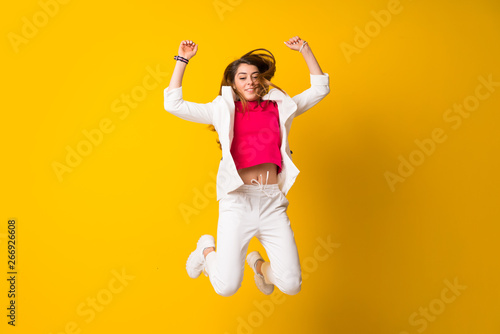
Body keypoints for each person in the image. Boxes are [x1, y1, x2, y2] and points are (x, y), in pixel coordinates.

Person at [164, 36, 330, 296]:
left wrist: (305, 50)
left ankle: (259, 265)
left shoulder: (279, 107)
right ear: (232, 82)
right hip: (237, 203)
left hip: (271, 202)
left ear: (262, 79)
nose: (250, 81)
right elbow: (173, 104)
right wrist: (182, 60)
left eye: (254, 76)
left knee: (291, 284)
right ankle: (206, 250)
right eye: (242, 77)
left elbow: (320, 89)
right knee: (227, 287)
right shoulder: (221, 109)